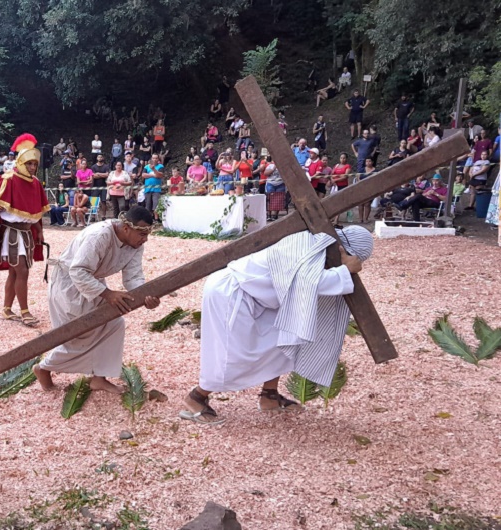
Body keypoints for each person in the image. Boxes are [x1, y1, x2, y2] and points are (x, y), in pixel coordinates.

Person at [180, 225, 372, 423]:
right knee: (233, 353)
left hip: (260, 299)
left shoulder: (318, 249)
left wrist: (343, 271)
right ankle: (196, 398)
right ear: (342, 249)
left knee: (286, 340)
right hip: (232, 293)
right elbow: (306, 282)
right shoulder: (305, 243)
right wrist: (345, 271)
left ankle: (269, 395)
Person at [34, 206, 160, 394]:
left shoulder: (136, 245)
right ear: (126, 228)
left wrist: (145, 297)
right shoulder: (99, 235)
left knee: (114, 324)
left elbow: (133, 278)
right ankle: (43, 368)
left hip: (94, 284)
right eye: (141, 233)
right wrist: (108, 294)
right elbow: (78, 271)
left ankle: (99, 379)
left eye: (147, 234)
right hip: (70, 285)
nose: (145, 239)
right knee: (79, 333)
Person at [0, 133, 49, 327]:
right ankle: (25, 311)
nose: (32, 167)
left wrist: (39, 230)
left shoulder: (35, 183)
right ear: (21, 162)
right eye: (29, 164)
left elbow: (34, 211)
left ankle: (7, 308)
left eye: (35, 164)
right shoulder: (7, 180)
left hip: (27, 233)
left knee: (14, 272)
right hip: (11, 233)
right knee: (22, 271)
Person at [142, 153, 164, 221]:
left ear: (158, 159)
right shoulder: (146, 167)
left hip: (156, 189)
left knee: (156, 205)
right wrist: (153, 175)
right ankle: (148, 220)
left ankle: (156, 219)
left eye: (156, 158)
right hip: (147, 188)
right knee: (148, 206)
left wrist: (154, 169)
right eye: (153, 158)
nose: (154, 159)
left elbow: (160, 175)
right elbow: (143, 175)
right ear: (151, 159)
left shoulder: (160, 166)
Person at [357, 159, 377, 223]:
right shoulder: (362, 169)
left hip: (371, 189)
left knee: (367, 204)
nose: (368, 162)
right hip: (361, 188)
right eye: (366, 161)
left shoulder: (376, 170)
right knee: (360, 203)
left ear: (372, 162)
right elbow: (358, 177)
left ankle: (366, 218)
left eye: (369, 161)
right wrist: (360, 182)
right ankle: (360, 218)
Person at [91, 154, 110, 220]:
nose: (100, 158)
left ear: (103, 158)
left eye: (101, 157)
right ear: (97, 158)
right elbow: (93, 176)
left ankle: (103, 216)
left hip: (104, 186)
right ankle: (93, 216)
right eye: (98, 157)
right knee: (94, 201)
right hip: (95, 186)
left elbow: (107, 175)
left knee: (103, 201)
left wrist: (98, 174)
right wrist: (102, 175)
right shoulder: (93, 166)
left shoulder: (106, 166)